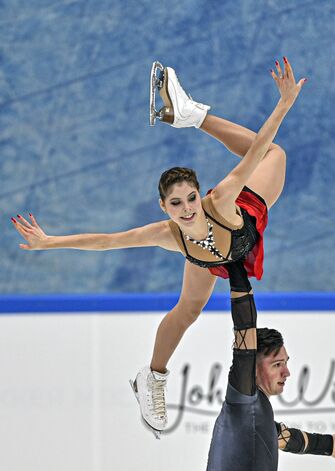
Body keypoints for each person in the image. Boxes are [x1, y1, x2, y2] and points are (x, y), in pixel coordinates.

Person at [11, 57, 306, 434]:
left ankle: (192, 115)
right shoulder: (168, 233)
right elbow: (107, 242)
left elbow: (256, 149)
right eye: (176, 203)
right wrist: (50, 242)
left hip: (246, 218)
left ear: (201, 195)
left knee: (273, 153)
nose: (186, 209)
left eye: (190, 198)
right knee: (188, 310)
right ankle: (151, 378)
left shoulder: (222, 199)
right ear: (164, 207)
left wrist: (283, 104)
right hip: (210, 255)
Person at [178, 260, 335, 471]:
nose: (286, 372)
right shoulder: (243, 398)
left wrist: (327, 445)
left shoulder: (252, 417)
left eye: (286, 363)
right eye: (276, 364)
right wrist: (237, 271)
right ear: (252, 368)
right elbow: (244, 332)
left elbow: (282, 437)